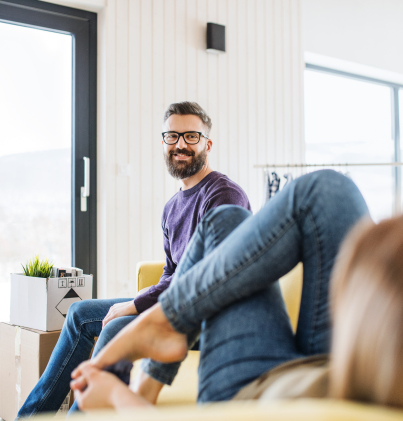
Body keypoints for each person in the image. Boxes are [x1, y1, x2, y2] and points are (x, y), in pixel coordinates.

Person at [71, 170, 403, 416]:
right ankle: (166, 325)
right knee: (325, 193)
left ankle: (158, 344)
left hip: (254, 390)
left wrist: (115, 398)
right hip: (343, 368)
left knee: (224, 221)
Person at [16, 102, 251, 418]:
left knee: (116, 327)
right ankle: (30, 416)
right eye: (172, 136)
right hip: (174, 305)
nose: (181, 144)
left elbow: (206, 279)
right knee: (79, 312)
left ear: (207, 145)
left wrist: (135, 305)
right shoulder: (171, 207)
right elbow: (171, 273)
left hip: (206, 319)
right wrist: (142, 302)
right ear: (163, 143)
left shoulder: (223, 195)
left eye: (192, 136)